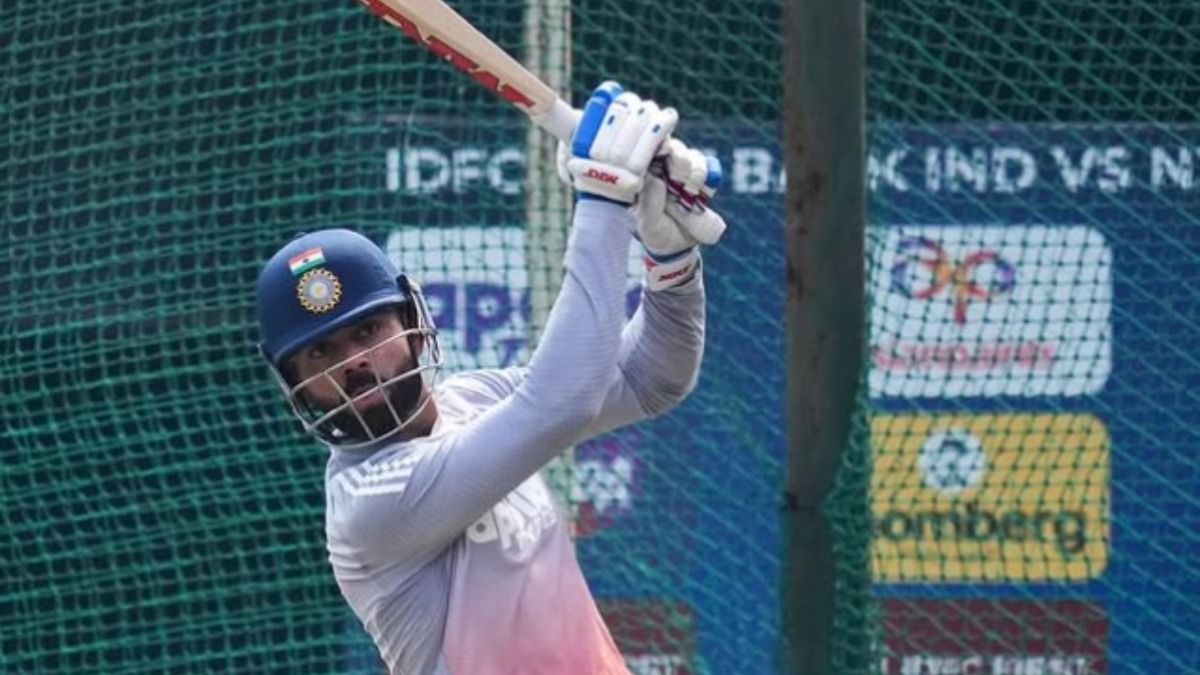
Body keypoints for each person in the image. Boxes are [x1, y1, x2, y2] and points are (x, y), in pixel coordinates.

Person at [254, 81, 726, 675]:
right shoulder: (369, 504)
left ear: (414, 321)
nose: (351, 362)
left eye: (367, 332)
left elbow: (650, 377)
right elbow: (562, 402)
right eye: (319, 354)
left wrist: (670, 259)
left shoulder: (473, 399)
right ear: (294, 385)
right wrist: (605, 199)